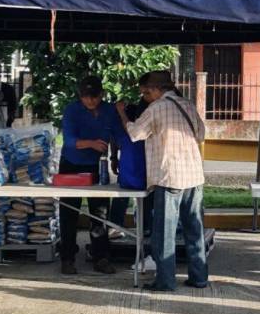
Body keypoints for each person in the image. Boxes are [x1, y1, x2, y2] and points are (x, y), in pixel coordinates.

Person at [116, 70, 208, 291]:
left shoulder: (155, 108)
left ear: (155, 90)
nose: (144, 98)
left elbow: (135, 134)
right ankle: (199, 277)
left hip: (170, 178)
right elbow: (201, 133)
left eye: (145, 93)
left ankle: (165, 281)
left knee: (164, 233)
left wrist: (122, 114)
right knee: (194, 230)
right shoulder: (186, 105)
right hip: (194, 176)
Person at [59, 75, 123, 275]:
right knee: (69, 212)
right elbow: (69, 140)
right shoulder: (72, 110)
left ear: (101, 95)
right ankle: (67, 258)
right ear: (80, 96)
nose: (90, 101)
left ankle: (101, 257)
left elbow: (117, 134)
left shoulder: (109, 110)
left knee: (100, 212)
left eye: (94, 97)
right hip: (71, 165)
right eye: (86, 97)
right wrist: (91, 143)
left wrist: (114, 157)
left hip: (97, 166)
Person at [109, 77, 151, 240]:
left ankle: (115, 226)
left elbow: (114, 139)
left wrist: (113, 158)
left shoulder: (125, 133)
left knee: (121, 198)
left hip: (128, 175)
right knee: (146, 198)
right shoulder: (145, 133)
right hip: (142, 175)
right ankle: (146, 227)